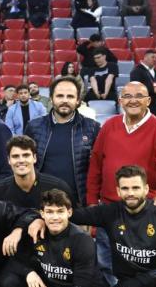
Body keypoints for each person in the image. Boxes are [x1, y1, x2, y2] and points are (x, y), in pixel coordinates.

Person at [87, 81, 156, 285]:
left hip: (142, 209)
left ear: (149, 100)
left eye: (139, 95)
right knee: (105, 262)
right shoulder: (109, 125)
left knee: (137, 264)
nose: (133, 100)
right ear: (120, 101)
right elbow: (96, 164)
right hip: (109, 207)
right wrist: (92, 201)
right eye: (127, 96)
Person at [24, 76, 101, 207]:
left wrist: (91, 205)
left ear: (78, 100)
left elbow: (98, 168)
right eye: (60, 96)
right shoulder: (34, 127)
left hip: (78, 204)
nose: (65, 100)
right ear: (51, 98)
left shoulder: (92, 128)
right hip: (41, 205)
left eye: (70, 96)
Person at [0, 135, 75, 209]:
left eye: (26, 155)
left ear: (34, 158)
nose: (21, 160)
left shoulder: (57, 187)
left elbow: (72, 216)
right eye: (15, 156)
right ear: (9, 160)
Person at [130, 49, 156, 114]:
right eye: (152, 57)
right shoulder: (136, 71)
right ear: (145, 57)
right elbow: (136, 88)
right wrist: (153, 89)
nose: (155, 59)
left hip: (153, 105)